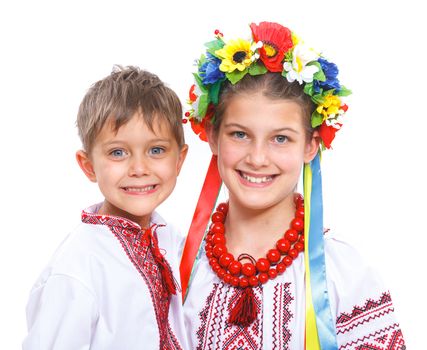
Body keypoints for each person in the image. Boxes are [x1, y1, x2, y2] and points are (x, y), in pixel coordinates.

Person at [180, 22, 406, 349]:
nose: (257, 158)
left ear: (311, 146)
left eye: (280, 138)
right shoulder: (178, 265)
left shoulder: (342, 275)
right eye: (239, 134)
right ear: (213, 135)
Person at [23, 66, 188, 349]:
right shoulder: (78, 268)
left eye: (156, 150)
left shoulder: (173, 242)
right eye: (118, 152)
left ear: (179, 160)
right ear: (88, 166)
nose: (139, 168)